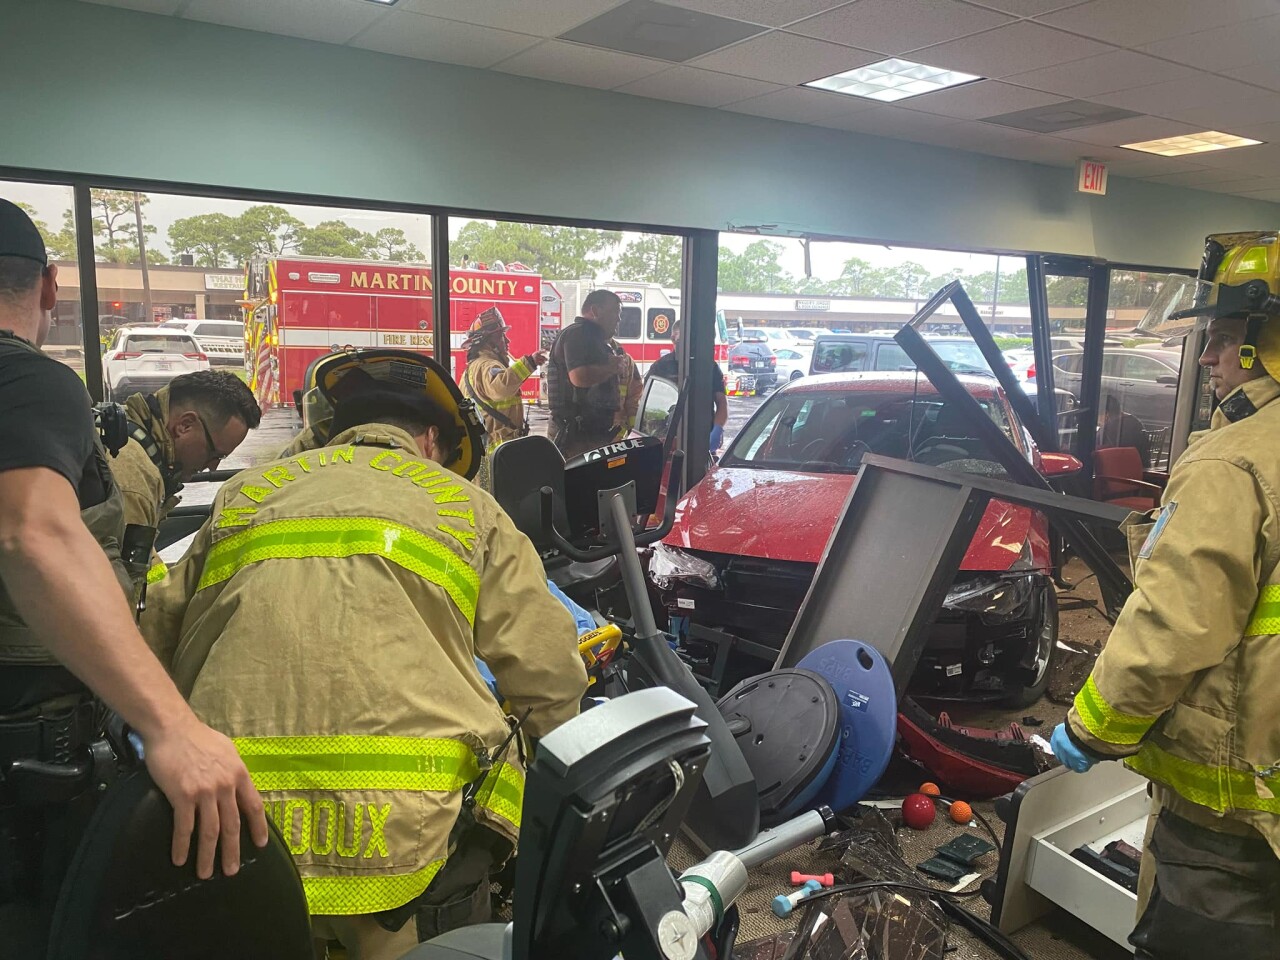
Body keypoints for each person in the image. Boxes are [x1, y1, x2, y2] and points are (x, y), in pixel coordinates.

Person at [145, 351, 588, 960]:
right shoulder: (467, 507)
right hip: (406, 844)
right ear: (431, 439)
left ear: (336, 429)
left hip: (232, 825)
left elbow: (156, 639)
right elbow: (548, 678)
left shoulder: (244, 495)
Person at [0, 199, 266, 952]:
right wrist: (172, 727)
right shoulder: (28, 381)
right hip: (25, 754)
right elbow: (35, 533)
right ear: (51, 289)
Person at [1051, 235, 1280, 958]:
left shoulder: (1232, 461)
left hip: (1233, 813)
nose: (1208, 357)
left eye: (1220, 339)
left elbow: (1175, 624)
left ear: (1260, 345)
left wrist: (1093, 727)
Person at [110, 370, 261, 586]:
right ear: (185, 425)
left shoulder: (126, 435)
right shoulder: (133, 478)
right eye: (214, 453)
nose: (212, 467)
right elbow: (130, 590)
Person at [460, 307, 546, 489]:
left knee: (484, 495)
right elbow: (501, 386)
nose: (506, 340)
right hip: (496, 455)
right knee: (496, 499)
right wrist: (529, 363)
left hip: (485, 452)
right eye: (500, 336)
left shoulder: (474, 367)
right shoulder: (486, 365)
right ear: (487, 342)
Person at [546, 289, 631, 458]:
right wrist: (611, 367)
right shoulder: (578, 333)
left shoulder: (594, 339)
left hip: (589, 434)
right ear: (595, 311)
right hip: (575, 436)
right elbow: (579, 377)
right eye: (615, 311)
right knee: (577, 483)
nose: (619, 318)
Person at [646, 317, 730, 457]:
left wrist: (717, 428)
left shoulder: (710, 367)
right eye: (683, 339)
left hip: (702, 438)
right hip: (667, 439)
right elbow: (649, 407)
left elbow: (722, 402)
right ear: (673, 338)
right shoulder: (660, 367)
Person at [1096, 393, 1150, 465]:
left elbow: (1097, 449)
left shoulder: (1109, 428)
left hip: (1120, 467)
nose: (1098, 421)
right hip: (1140, 465)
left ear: (1106, 414)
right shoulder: (1134, 420)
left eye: (1098, 416)